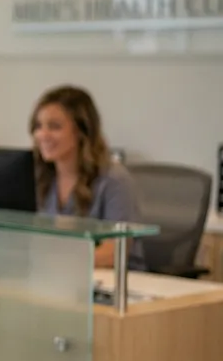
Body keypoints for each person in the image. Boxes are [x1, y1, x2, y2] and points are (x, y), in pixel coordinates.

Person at [30, 84, 146, 270]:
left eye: (54, 126)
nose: (43, 135)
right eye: (38, 126)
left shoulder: (114, 180)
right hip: (58, 280)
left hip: (117, 285)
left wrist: (56, 264)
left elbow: (114, 252)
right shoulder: (41, 178)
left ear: (81, 131)